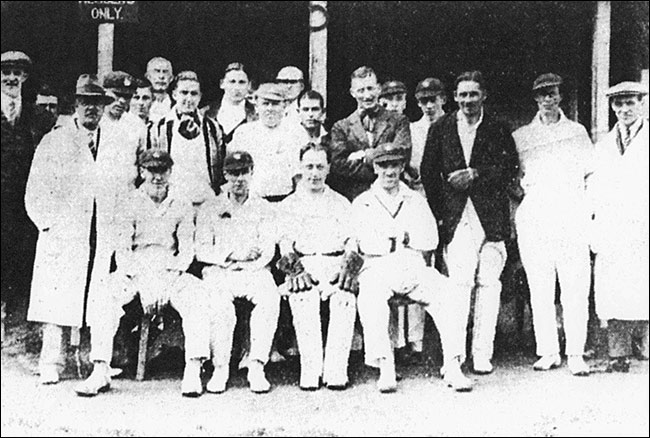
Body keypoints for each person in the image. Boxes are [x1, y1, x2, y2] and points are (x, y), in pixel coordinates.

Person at [75, 149, 211, 397]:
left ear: (170, 172)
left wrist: (169, 276)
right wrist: (145, 283)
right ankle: (100, 370)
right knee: (104, 294)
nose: (157, 177)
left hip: (170, 270)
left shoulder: (180, 203)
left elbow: (186, 250)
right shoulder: (129, 202)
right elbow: (123, 251)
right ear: (141, 172)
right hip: (136, 271)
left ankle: (193, 369)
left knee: (198, 295)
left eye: (162, 171)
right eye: (151, 171)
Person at [352, 142, 473, 392]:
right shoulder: (363, 202)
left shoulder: (415, 199)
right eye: (383, 165)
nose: (389, 171)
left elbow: (430, 239)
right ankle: (386, 366)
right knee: (370, 298)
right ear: (375, 167)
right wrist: (396, 240)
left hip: (412, 266)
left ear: (401, 166)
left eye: (394, 165)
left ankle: (452, 365)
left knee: (451, 292)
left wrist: (404, 239)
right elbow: (362, 242)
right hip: (378, 267)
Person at [421, 71, 519, 375]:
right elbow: (428, 173)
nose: (467, 101)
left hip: (490, 218)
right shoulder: (441, 128)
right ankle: (456, 355)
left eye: (473, 94)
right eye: (462, 95)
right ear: (454, 98)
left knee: (489, 285)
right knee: (459, 286)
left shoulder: (498, 128)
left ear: (484, 96)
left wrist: (475, 174)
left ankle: (482, 354)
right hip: (457, 218)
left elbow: (509, 168)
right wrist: (442, 213)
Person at [24, 74, 114, 384]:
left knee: (96, 295)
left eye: (98, 104)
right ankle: (52, 360)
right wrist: (49, 225)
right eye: (86, 103)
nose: (92, 109)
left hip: (99, 231)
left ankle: (94, 360)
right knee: (57, 294)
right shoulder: (55, 140)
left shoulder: (112, 142)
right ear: (75, 105)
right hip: (65, 232)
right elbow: (35, 189)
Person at [512, 73, 593, 375]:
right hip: (536, 220)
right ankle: (548, 351)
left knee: (575, 287)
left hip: (570, 218)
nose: (548, 98)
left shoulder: (577, 132)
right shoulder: (522, 136)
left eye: (553, 93)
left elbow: (590, 174)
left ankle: (575, 353)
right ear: (535, 98)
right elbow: (513, 180)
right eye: (543, 94)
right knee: (540, 288)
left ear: (561, 96)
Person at [276, 142, 361, 390]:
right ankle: (311, 370)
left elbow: (352, 238)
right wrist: (293, 267)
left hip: (335, 262)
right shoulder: (289, 204)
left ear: (329, 169)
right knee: (303, 299)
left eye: (320, 167)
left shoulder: (341, 202)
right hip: (305, 264)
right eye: (309, 166)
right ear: (300, 168)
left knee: (344, 299)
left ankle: (336, 370)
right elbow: (284, 241)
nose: (314, 173)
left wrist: (348, 263)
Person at [195, 151, 279, 393]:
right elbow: (201, 249)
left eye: (244, 172)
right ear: (225, 175)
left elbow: (267, 249)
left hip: (254, 271)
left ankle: (256, 365)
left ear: (252, 173)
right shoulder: (211, 207)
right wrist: (233, 255)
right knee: (220, 306)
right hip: (220, 270)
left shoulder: (263, 207)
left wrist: (247, 263)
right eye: (233, 173)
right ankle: (220, 367)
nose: (239, 179)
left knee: (269, 298)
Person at [591, 81, 649, 372]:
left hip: (643, 226)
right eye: (618, 104)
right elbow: (593, 186)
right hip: (612, 227)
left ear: (641, 103)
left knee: (642, 285)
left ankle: (644, 344)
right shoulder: (603, 145)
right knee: (613, 289)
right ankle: (618, 353)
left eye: (630, 102)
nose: (624, 109)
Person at [1, 51, 54, 325]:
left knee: (22, 253)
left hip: (26, 198)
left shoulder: (38, 116)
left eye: (16, 72)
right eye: (5, 72)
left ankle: (20, 315)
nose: (11, 78)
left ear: (24, 76)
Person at [329, 66, 412, 201]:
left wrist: (365, 155)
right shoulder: (341, 127)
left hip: (392, 195)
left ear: (378, 88)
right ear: (352, 93)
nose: (367, 96)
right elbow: (338, 165)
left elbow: (403, 152)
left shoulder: (399, 121)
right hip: (357, 197)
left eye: (370, 88)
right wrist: (383, 163)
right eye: (361, 90)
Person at [146, 71, 224, 208]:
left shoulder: (212, 127)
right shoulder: (159, 128)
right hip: (172, 202)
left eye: (194, 94)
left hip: (205, 200)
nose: (189, 98)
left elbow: (220, 165)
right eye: (184, 92)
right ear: (174, 94)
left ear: (200, 97)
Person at [229, 82, 303, 201]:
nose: (270, 108)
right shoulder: (243, 133)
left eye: (275, 104)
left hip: (286, 200)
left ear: (284, 106)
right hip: (252, 201)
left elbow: (299, 175)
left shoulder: (296, 133)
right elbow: (234, 173)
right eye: (265, 103)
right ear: (257, 106)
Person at [201, 62, 257, 145]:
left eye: (242, 82)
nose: (237, 88)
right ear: (222, 84)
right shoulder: (205, 113)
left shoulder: (256, 114)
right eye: (232, 82)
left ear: (249, 85)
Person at [410, 77, 447, 174]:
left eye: (433, 100)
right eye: (424, 101)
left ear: (443, 99)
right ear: (418, 103)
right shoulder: (412, 130)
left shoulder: (454, 125)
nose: (429, 106)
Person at [145, 56, 173, 123]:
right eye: (157, 71)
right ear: (148, 76)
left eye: (165, 72)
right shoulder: (140, 102)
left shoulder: (176, 103)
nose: (161, 76)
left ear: (171, 78)